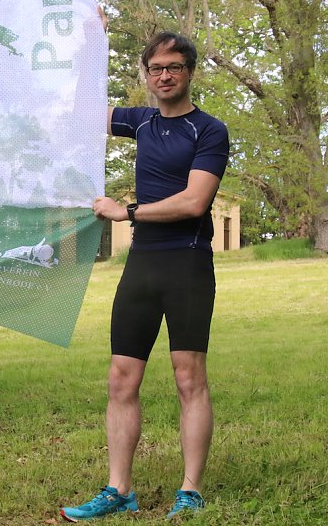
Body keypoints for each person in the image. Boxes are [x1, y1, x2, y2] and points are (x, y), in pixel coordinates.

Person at [60, 25, 230, 521]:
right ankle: (119, 490)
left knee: (188, 377)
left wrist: (128, 212)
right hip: (143, 265)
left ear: (190, 72)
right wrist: (91, 43)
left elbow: (195, 201)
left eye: (173, 67)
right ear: (146, 74)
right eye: (155, 68)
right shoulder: (141, 122)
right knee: (120, 378)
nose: (163, 76)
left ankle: (190, 490)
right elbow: (79, 112)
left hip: (188, 262)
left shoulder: (210, 130)